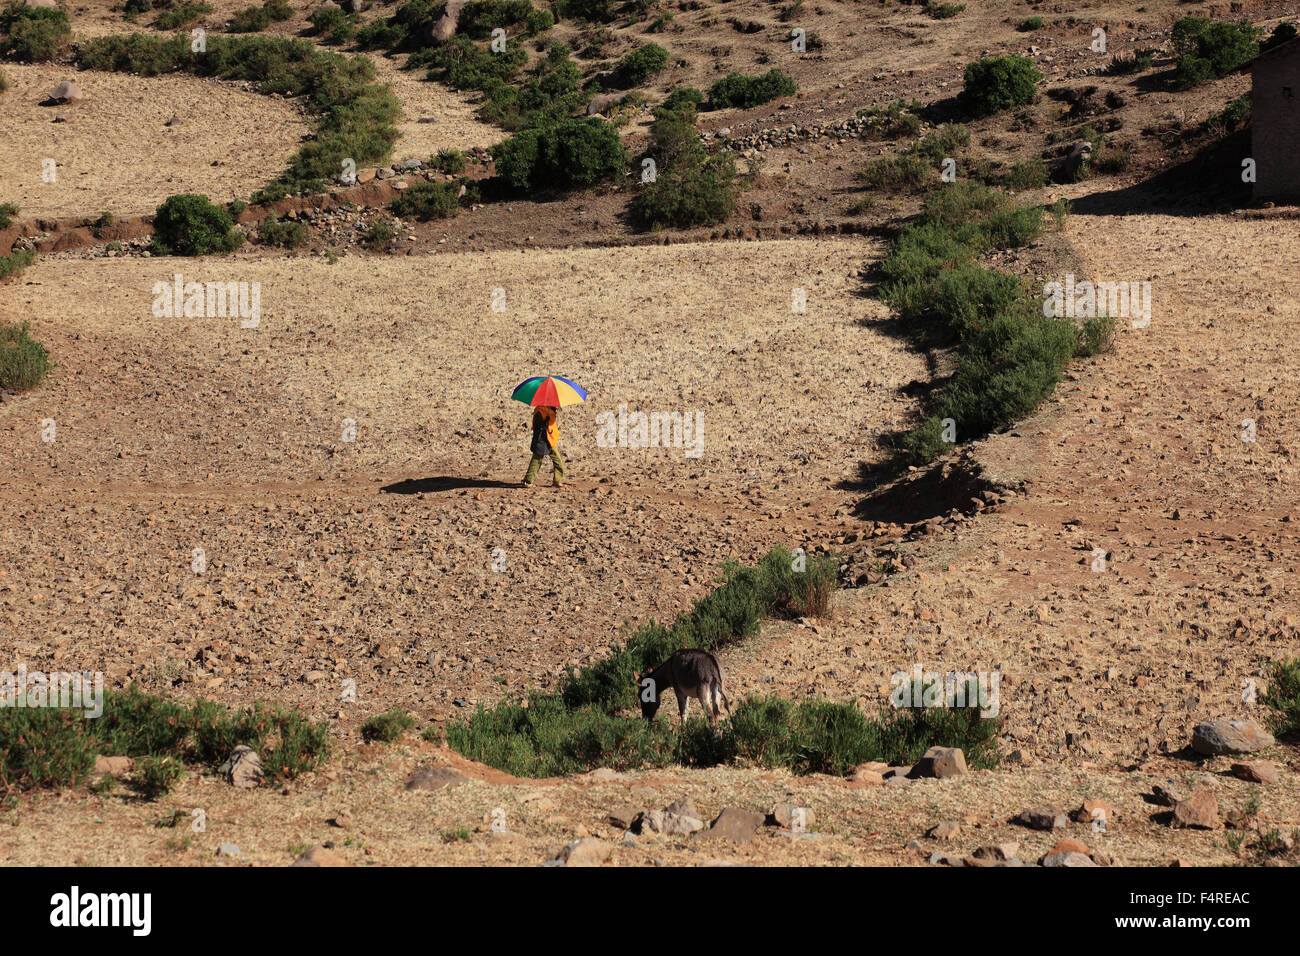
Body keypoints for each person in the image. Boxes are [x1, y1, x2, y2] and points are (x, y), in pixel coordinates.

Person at [523, 404, 564, 488]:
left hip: (550, 439)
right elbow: (537, 426)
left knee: (557, 460)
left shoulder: (550, 410)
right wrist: (544, 422)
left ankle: (557, 481)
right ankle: (528, 481)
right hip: (542, 439)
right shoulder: (540, 411)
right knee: (537, 460)